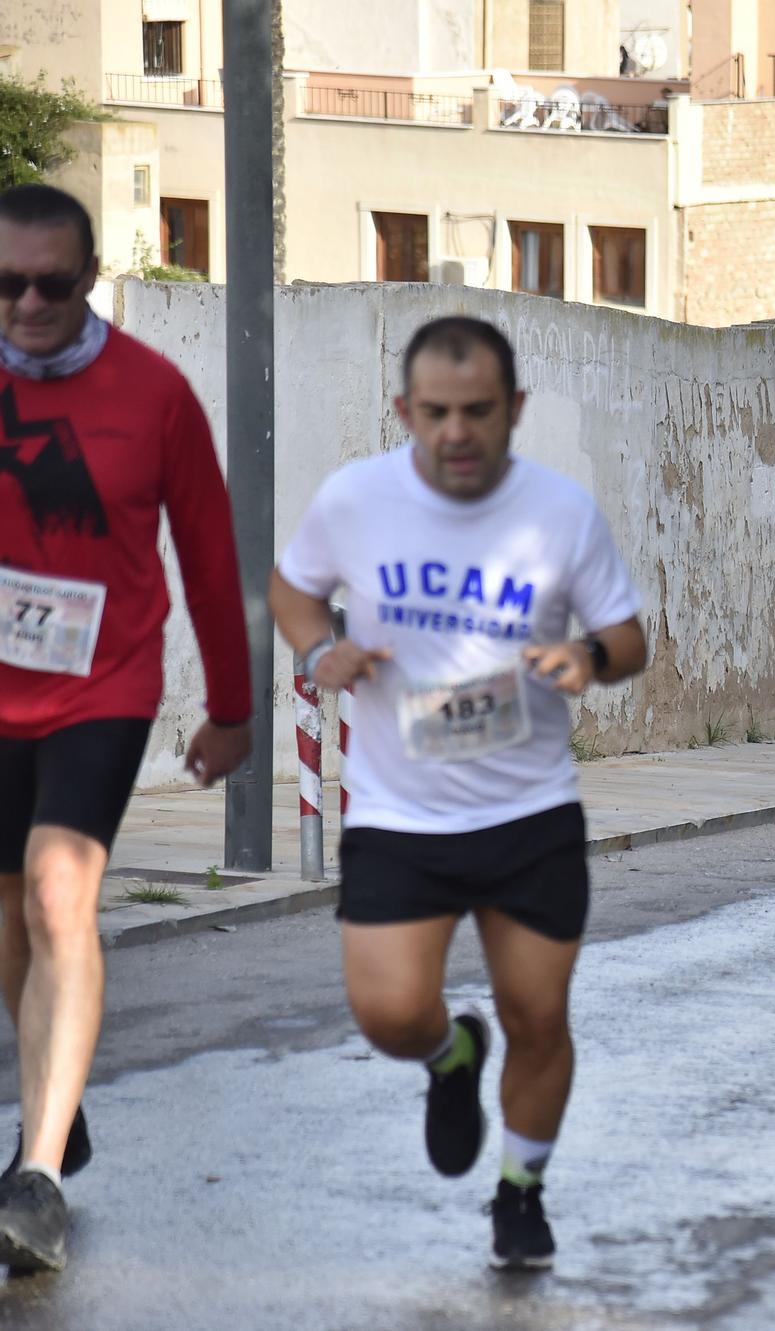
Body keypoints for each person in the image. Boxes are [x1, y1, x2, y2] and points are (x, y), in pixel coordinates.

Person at [270, 317, 648, 1271]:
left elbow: (629, 636)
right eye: (434, 413)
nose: (456, 433)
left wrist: (587, 655)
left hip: (529, 812)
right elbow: (292, 588)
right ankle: (450, 1055)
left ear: (514, 409)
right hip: (401, 815)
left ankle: (521, 1192)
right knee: (390, 1013)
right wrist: (322, 650)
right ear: (404, 411)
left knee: (540, 1018)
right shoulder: (357, 498)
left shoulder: (560, 512)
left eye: (478, 411)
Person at [0, 184, 253, 1272]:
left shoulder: (154, 395)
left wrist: (233, 708)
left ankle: (39, 1177)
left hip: (103, 681)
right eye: (5, 284)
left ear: (90, 276)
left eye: (52, 283)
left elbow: (207, 553)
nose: (27, 303)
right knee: (10, 919)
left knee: (61, 889)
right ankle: (58, 1090)